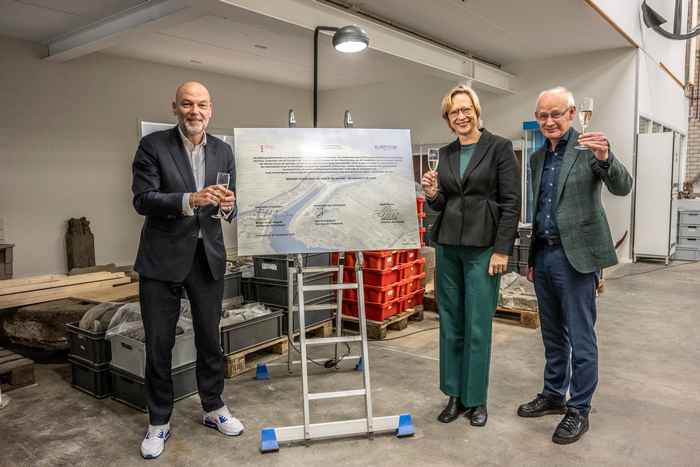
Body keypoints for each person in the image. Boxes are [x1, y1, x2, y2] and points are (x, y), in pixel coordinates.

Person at [131, 81, 241, 459]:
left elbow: (231, 207)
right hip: (162, 260)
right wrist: (188, 200)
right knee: (159, 344)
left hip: (207, 257)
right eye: (188, 104)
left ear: (212, 109)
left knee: (210, 339)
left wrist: (228, 206)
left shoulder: (224, 151)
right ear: (175, 107)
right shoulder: (153, 146)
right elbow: (143, 200)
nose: (196, 111)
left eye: (203, 105)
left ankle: (213, 407)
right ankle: (159, 421)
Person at [517, 87, 633, 444]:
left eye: (556, 114)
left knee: (582, 338)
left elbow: (623, 186)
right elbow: (539, 212)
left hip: (576, 259)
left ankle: (579, 408)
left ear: (571, 114)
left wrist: (606, 156)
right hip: (546, 255)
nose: (549, 121)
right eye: (542, 116)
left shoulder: (588, 149)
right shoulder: (537, 160)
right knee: (552, 335)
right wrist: (533, 258)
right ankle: (554, 394)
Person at [422, 84, 520, 427]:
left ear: (477, 111)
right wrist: (433, 194)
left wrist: (502, 249)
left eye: (466, 110)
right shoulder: (447, 153)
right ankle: (454, 396)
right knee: (450, 324)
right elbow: (442, 203)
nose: (460, 117)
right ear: (448, 119)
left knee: (477, 326)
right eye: (453, 113)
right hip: (448, 247)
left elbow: (511, 204)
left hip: (483, 251)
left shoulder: (500, 148)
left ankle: (476, 399)